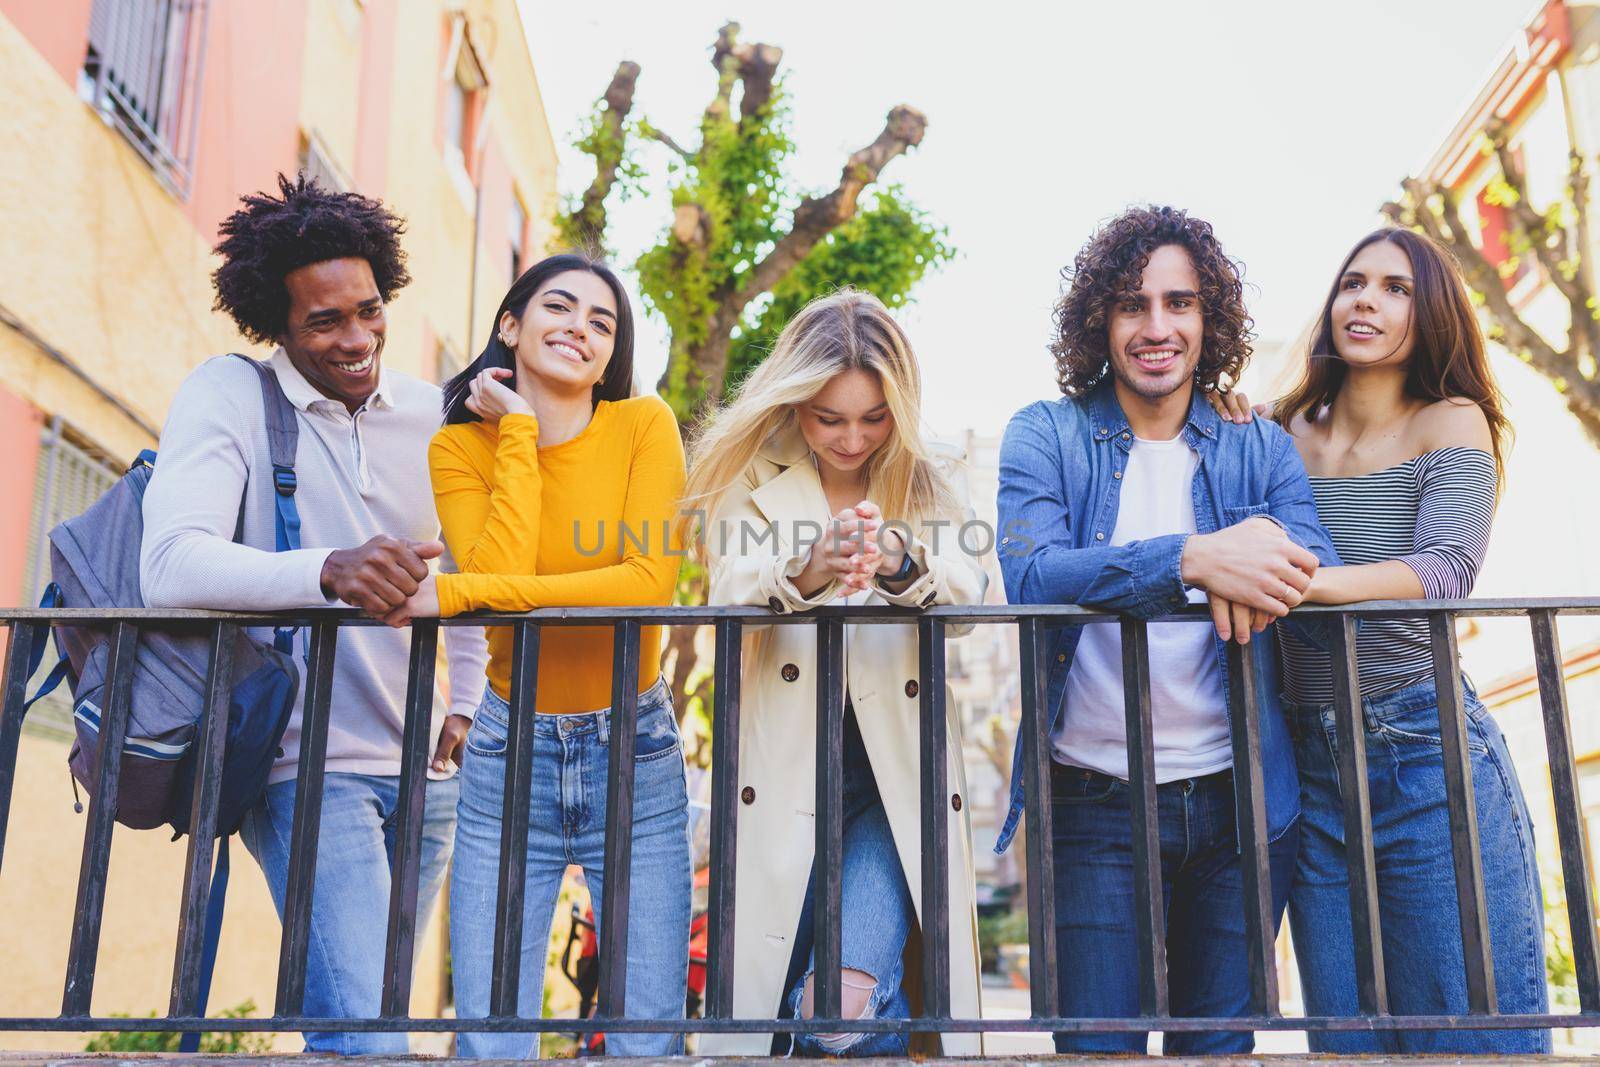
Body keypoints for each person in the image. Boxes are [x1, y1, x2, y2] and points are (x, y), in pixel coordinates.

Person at [139, 174, 488, 1054]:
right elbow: (170, 564)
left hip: (428, 768)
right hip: (303, 763)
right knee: (369, 1039)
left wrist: (468, 700)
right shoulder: (231, 396)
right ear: (276, 325)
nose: (358, 337)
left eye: (370, 310)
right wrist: (326, 570)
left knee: (363, 1029)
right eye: (324, 322)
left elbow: (476, 566)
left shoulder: (430, 416)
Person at [995, 205, 1341, 1054]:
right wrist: (1192, 558)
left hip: (1239, 804)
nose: (1157, 327)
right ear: (1099, 322)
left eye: (1179, 304)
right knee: (1099, 1049)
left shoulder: (1253, 441)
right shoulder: (1047, 433)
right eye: (1132, 304)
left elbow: (1313, 560)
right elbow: (1034, 571)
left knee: (1216, 1051)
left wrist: (1250, 560)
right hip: (1091, 802)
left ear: (1207, 318)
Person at [1209, 227, 1548, 1053]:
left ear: (1429, 314)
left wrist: (1303, 582)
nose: (1366, 299)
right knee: (1349, 1042)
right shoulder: (1280, 430)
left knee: (1475, 1035)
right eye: (1354, 282)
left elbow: (1445, 570)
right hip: (1310, 766)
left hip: (1425, 755)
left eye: (1396, 288)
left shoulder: (1452, 421)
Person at [384, 252, 690, 1058]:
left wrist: (454, 594)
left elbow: (647, 583)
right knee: (491, 1035)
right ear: (511, 326)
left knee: (645, 1036)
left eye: (603, 322)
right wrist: (517, 431)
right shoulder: (461, 449)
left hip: (636, 749)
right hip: (507, 748)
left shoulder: (644, 427)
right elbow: (500, 575)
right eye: (560, 307)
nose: (580, 329)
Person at [686, 290, 989, 1057]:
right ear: (797, 402)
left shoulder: (931, 474)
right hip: (783, 777)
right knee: (786, 1021)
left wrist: (898, 559)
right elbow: (727, 584)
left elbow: (974, 590)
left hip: (895, 784)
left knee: (839, 1002)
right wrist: (810, 564)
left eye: (874, 417)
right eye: (829, 418)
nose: (852, 438)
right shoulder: (752, 471)